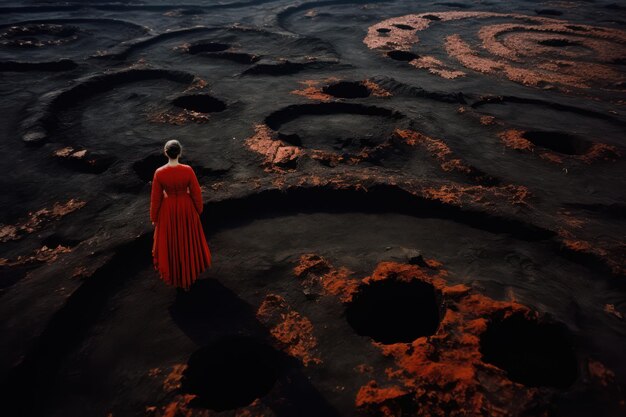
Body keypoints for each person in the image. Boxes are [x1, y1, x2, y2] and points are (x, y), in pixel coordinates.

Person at [150, 139, 212, 290]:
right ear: (180, 152)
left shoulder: (159, 173)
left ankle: (177, 276)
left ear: (166, 153)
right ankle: (189, 274)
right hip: (186, 208)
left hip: (168, 210)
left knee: (173, 243)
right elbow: (196, 192)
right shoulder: (188, 170)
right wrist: (198, 210)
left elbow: (155, 199)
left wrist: (154, 217)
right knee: (187, 241)